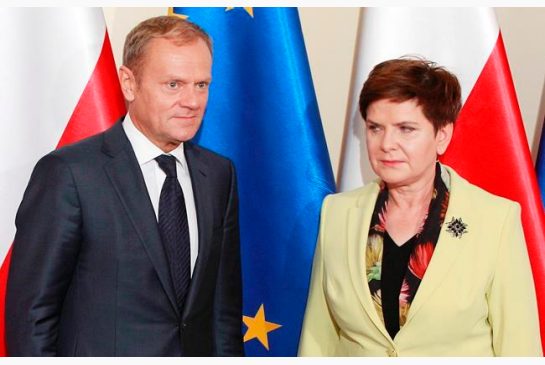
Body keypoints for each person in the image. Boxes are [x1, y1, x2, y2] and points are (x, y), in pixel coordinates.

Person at [6, 16, 243, 356]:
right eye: (173, 84)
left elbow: (224, 314)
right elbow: (31, 318)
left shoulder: (219, 175)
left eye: (201, 85)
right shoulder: (69, 174)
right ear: (129, 84)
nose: (192, 101)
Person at [298, 57, 542, 356]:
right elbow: (318, 336)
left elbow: (519, 347)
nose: (386, 143)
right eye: (375, 128)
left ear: (442, 135)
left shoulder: (495, 219)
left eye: (406, 129)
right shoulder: (337, 213)